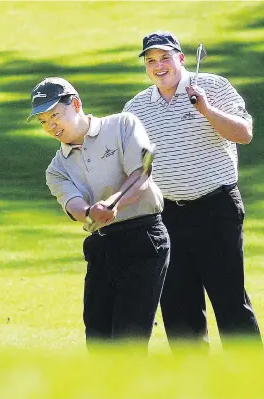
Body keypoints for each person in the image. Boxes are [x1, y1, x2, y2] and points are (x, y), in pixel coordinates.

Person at [123, 31, 262, 350]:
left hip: (216, 210)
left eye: (165, 57)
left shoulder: (214, 87)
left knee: (230, 303)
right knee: (178, 308)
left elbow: (244, 134)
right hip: (167, 216)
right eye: (150, 60)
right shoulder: (137, 107)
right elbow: (135, 165)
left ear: (181, 58)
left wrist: (207, 110)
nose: (158, 66)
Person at [27, 77, 170, 352]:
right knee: (99, 340)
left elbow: (140, 178)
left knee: (128, 341)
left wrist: (115, 206)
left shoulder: (122, 125)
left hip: (144, 239)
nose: (51, 126)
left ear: (76, 104)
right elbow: (75, 206)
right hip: (102, 245)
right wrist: (91, 211)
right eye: (44, 121)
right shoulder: (56, 169)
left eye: (55, 115)